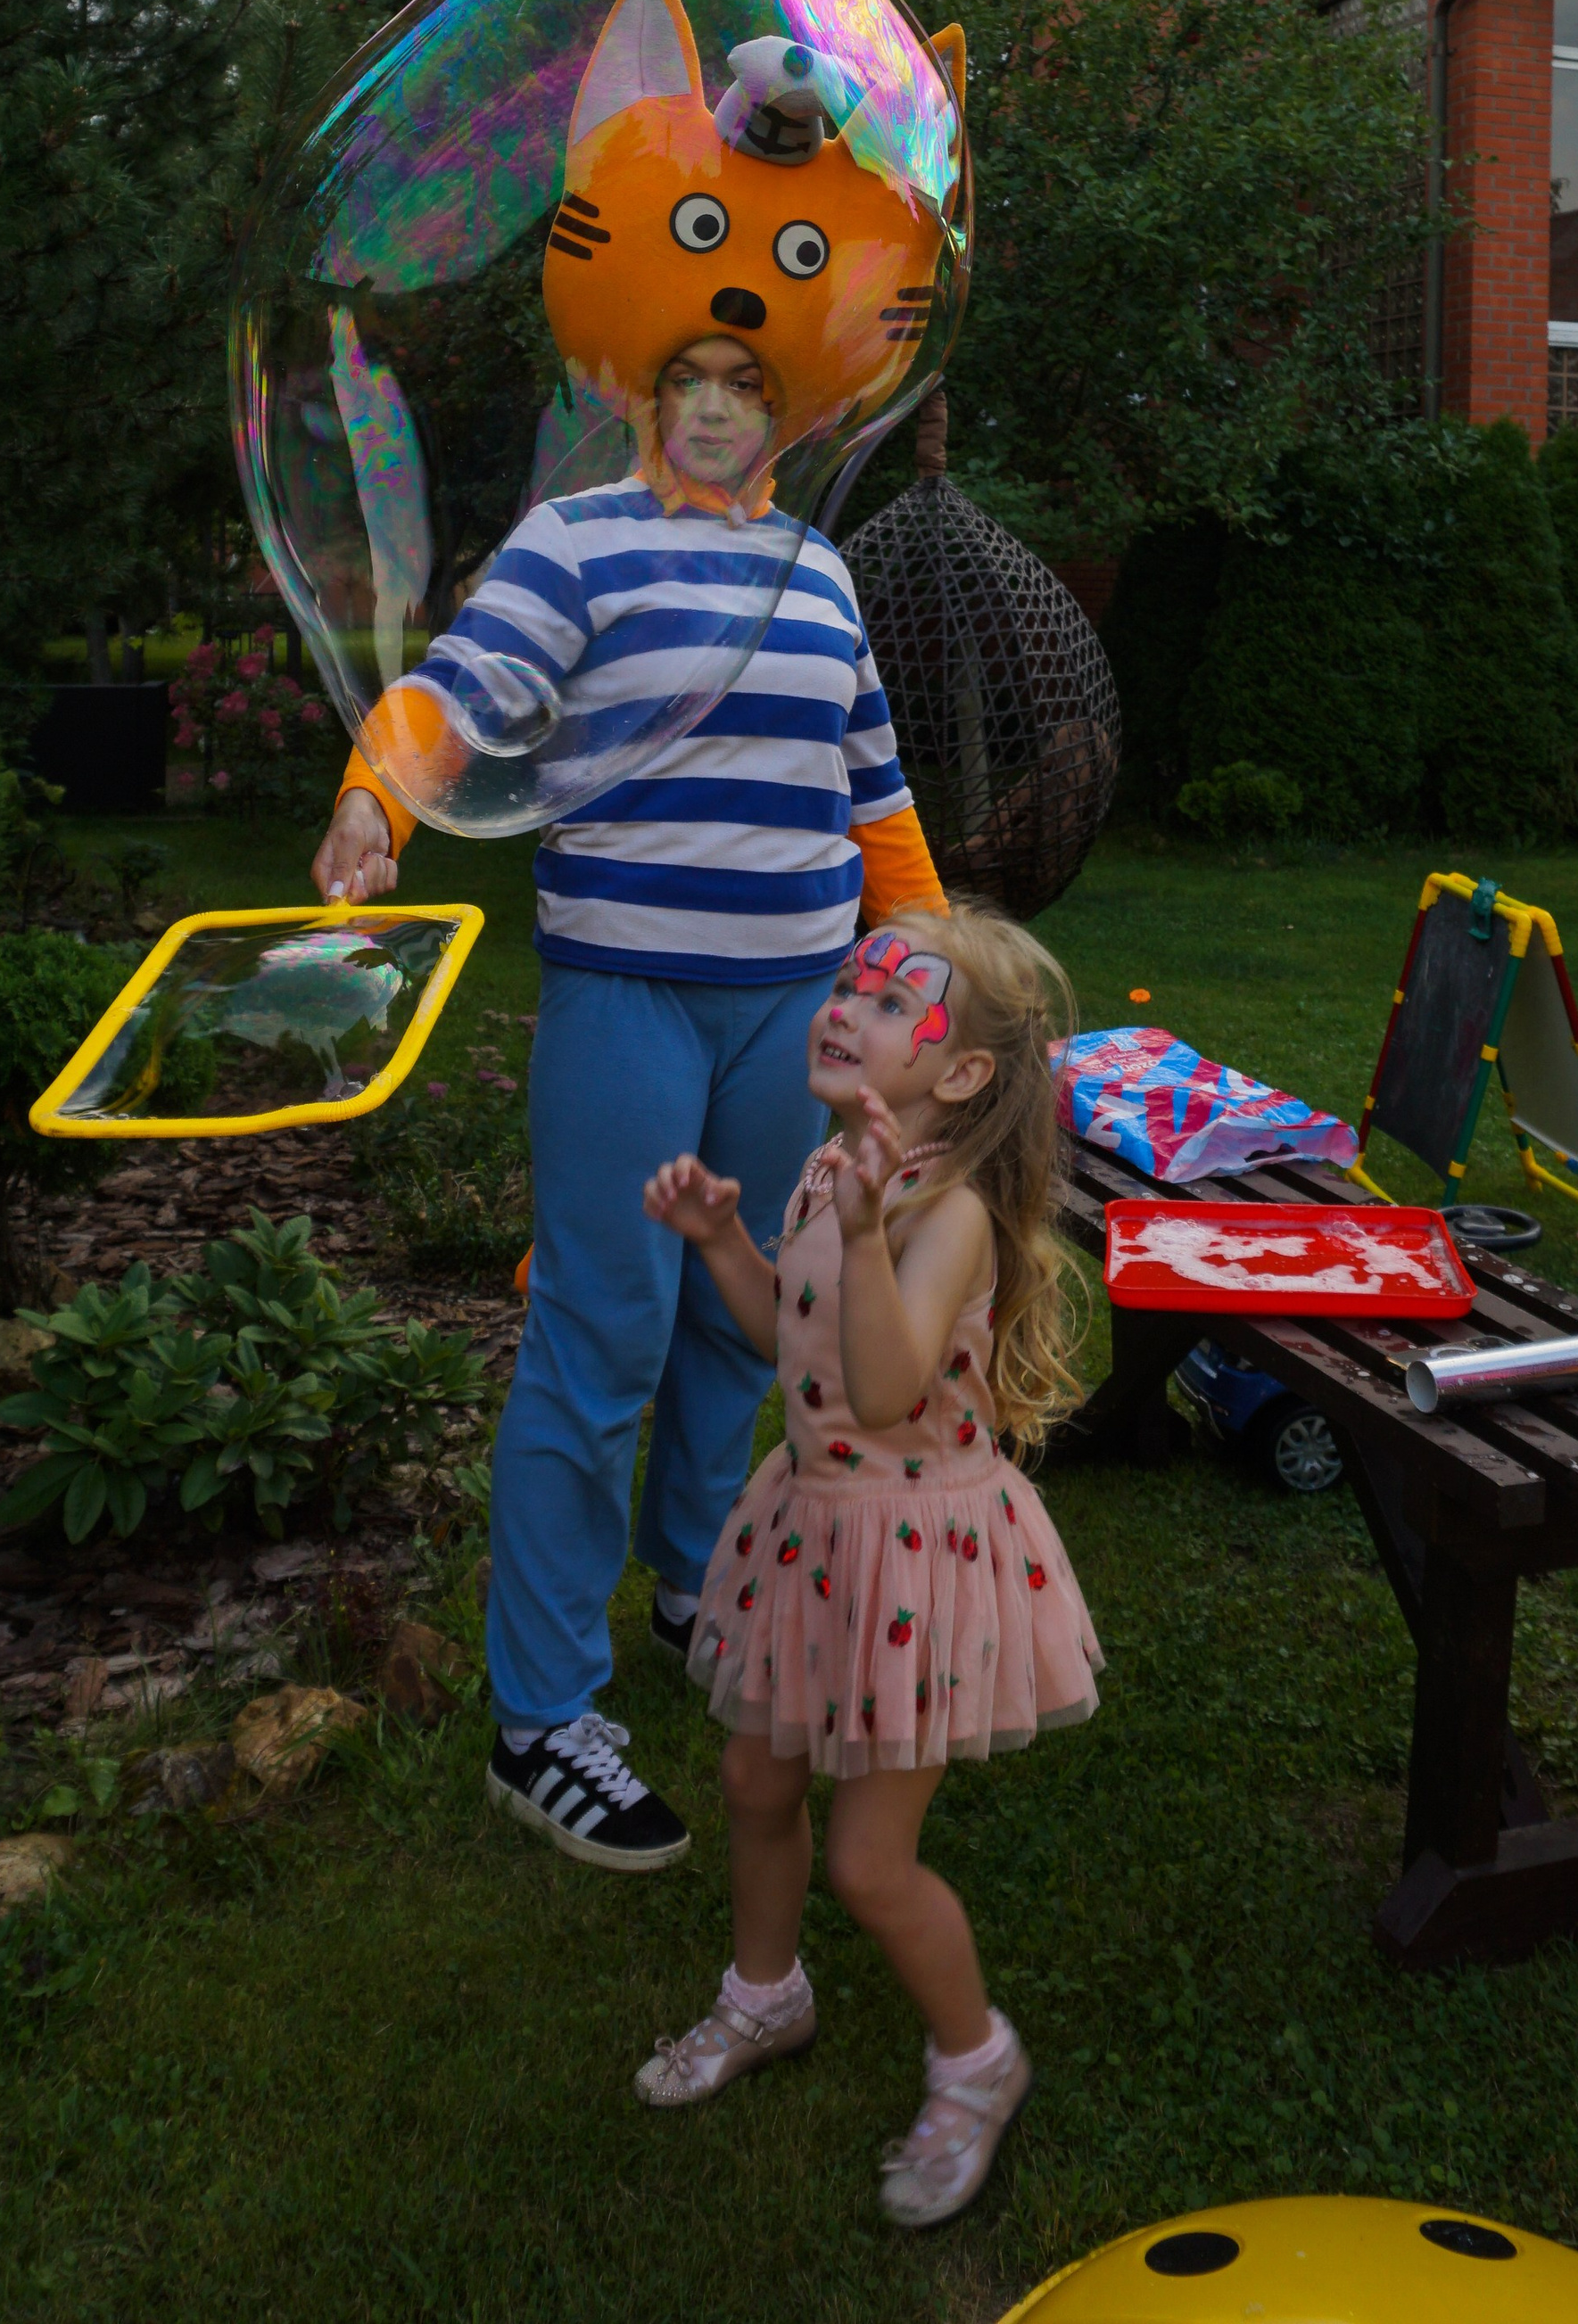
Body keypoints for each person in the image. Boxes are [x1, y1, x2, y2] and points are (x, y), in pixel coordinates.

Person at [310, 331, 946, 1875]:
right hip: (629, 1001)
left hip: (792, 1015)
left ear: (783, 411)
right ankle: (542, 1721)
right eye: (692, 381)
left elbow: (871, 789)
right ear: (648, 407)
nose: (720, 405)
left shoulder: (819, 567)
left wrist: (932, 944)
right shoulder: (576, 542)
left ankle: (690, 1589)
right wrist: (373, 801)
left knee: (743, 1321)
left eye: (747, 382)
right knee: (601, 1335)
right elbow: (452, 698)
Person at [631, 903, 1102, 2232]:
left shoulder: (942, 1212)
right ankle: (765, 1997)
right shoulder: (840, 1165)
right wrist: (731, 1245)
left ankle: (976, 2062)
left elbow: (889, 1388)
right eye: (851, 984)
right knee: (752, 1775)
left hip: (915, 1557)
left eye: (893, 1002)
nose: (848, 1006)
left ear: (960, 1074)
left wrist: (864, 1231)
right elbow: (802, 1336)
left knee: (873, 1864)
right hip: (816, 1525)